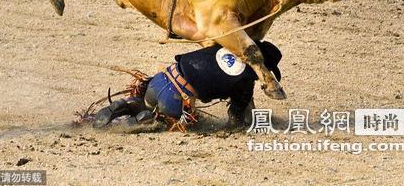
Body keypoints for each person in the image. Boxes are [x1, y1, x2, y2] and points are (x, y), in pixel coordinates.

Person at [92, 41, 282, 131]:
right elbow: (235, 119)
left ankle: (127, 104)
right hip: (176, 100)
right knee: (169, 122)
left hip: (160, 79)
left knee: (145, 101)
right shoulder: (246, 79)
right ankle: (142, 120)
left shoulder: (227, 44)